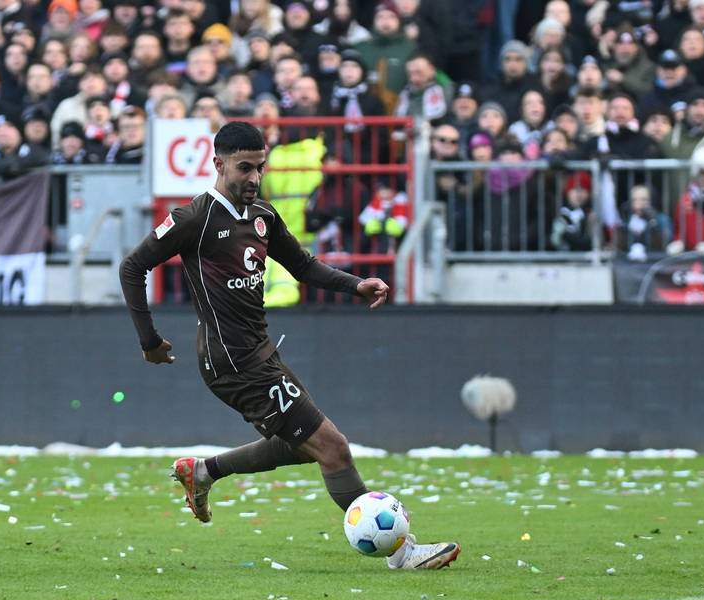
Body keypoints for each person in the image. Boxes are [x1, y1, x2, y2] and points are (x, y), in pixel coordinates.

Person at [118, 122, 459, 571]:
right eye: (244, 167)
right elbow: (132, 267)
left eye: (260, 167)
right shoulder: (194, 219)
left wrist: (356, 285)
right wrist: (149, 341)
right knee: (332, 448)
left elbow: (302, 266)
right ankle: (402, 552)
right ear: (217, 164)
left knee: (299, 444)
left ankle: (204, 471)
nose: (254, 177)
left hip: (260, 353)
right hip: (233, 362)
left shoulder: (262, 216)